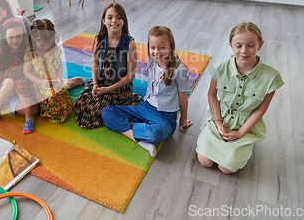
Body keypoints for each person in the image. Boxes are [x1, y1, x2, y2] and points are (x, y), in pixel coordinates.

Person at [196, 22, 284, 174]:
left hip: (246, 126)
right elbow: (211, 94)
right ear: (231, 45)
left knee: (227, 168)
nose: (244, 51)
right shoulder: (219, 68)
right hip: (219, 119)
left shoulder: (272, 77)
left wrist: (240, 132)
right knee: (205, 162)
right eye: (238, 46)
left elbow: (261, 108)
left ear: (260, 45)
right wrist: (217, 123)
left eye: (250, 45)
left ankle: (242, 145)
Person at [0, 0, 83, 112]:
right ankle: (63, 85)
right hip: (9, 82)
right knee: (32, 110)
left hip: (31, 73)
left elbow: (37, 50)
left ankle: (62, 84)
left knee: (45, 102)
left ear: (2, 4)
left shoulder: (22, 21)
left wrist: (50, 76)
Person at [102, 26, 192, 157]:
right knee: (107, 112)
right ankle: (139, 139)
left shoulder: (181, 70)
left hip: (165, 116)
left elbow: (183, 97)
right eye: (153, 47)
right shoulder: (152, 60)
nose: (156, 52)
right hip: (145, 108)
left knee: (156, 133)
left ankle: (132, 129)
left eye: (162, 47)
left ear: (171, 47)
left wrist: (183, 120)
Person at [74, 3, 142, 129]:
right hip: (101, 82)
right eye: (110, 17)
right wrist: (95, 85)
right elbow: (95, 63)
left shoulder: (130, 44)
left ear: (124, 21)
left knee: (95, 111)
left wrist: (107, 89)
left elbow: (130, 76)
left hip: (119, 87)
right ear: (103, 21)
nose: (114, 21)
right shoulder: (99, 39)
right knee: (81, 104)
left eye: (118, 17)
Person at [0, 17, 38, 134]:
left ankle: (27, 113)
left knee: (35, 109)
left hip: (24, 91)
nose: (15, 40)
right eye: (11, 37)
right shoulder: (0, 55)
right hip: (8, 91)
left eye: (18, 36)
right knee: (9, 82)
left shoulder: (26, 51)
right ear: (5, 38)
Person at [23, 19, 74, 123]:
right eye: (42, 45)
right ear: (33, 38)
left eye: (49, 44)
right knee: (51, 97)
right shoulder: (30, 52)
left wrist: (59, 78)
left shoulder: (54, 49)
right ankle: (53, 114)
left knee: (62, 92)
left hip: (54, 80)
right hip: (38, 84)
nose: (46, 47)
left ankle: (65, 108)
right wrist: (41, 82)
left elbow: (59, 65)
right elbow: (27, 72)